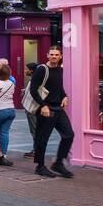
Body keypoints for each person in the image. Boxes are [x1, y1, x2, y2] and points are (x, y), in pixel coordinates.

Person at [30, 47, 74, 178]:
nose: (54, 56)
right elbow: (33, 90)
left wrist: (64, 96)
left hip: (57, 108)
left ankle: (58, 163)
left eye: (56, 55)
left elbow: (59, 87)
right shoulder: (41, 69)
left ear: (60, 56)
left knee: (68, 135)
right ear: (47, 55)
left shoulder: (60, 70)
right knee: (42, 138)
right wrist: (43, 105)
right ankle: (40, 166)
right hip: (45, 108)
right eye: (52, 54)